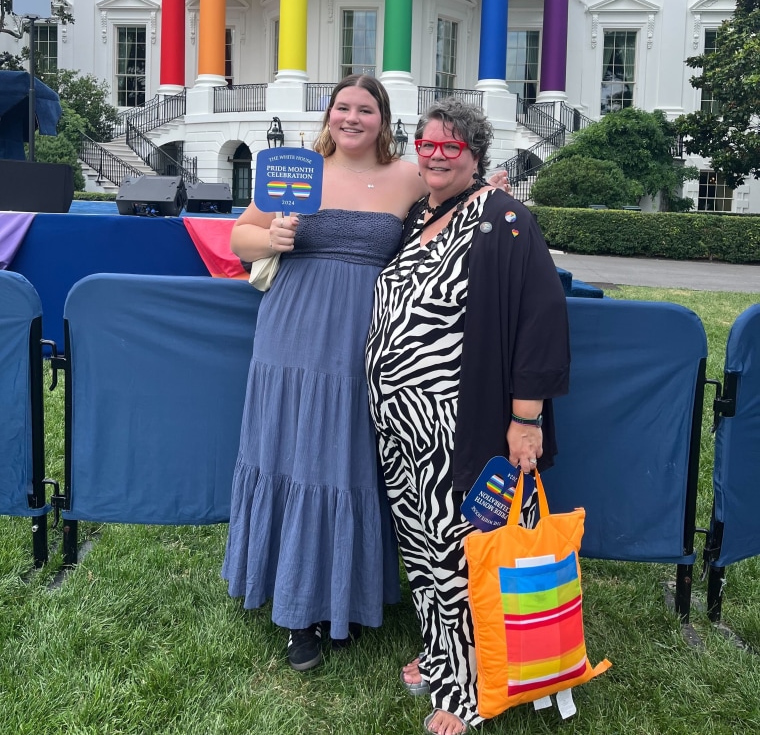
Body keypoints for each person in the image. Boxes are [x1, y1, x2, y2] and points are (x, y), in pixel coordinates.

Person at [366, 98, 570, 735]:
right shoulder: (419, 216)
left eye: (448, 147)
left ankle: (468, 690)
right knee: (424, 553)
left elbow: (540, 320)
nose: (433, 155)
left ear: (475, 154)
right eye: (425, 144)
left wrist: (526, 419)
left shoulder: (504, 217)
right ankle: (439, 656)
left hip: (461, 424)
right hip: (403, 426)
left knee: (462, 553)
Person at [222, 74, 427, 671]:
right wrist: (272, 237)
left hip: (373, 336)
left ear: (384, 119)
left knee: (352, 457)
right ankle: (297, 614)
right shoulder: (297, 168)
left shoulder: (409, 176)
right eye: (343, 107)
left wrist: (490, 191)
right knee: (296, 455)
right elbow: (238, 237)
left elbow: (455, 213)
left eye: (366, 109)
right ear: (329, 113)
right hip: (294, 332)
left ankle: (346, 595)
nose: (352, 118)